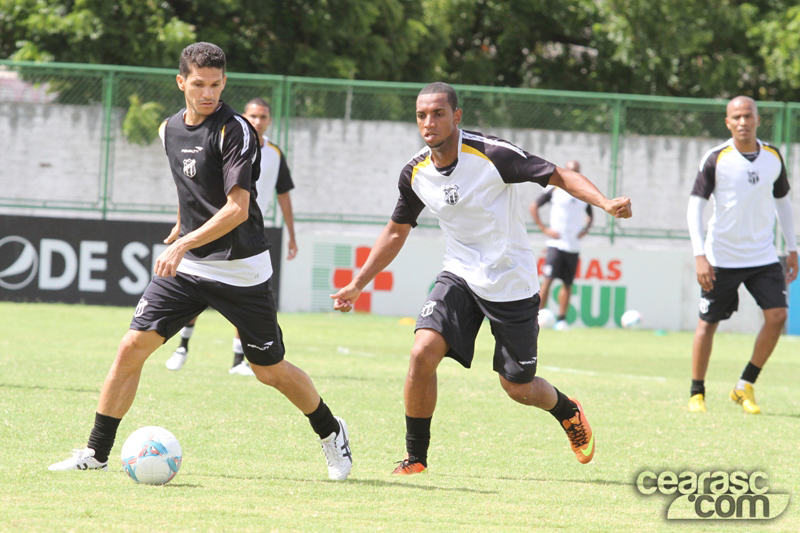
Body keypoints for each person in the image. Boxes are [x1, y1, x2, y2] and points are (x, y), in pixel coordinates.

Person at [49, 42, 352, 481]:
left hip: (241, 268)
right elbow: (187, 188)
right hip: (191, 268)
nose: (208, 93)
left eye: (215, 84)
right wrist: (180, 227)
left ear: (224, 82)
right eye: (198, 84)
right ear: (181, 82)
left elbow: (237, 209)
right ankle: (96, 452)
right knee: (131, 347)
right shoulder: (168, 129)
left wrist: (179, 244)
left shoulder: (237, 131)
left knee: (270, 372)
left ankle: (331, 431)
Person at [331, 82, 632, 474]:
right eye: (422, 115)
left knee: (518, 387)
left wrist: (605, 202)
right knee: (422, 353)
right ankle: (416, 457)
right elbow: (394, 231)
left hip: (511, 281)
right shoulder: (415, 172)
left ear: (456, 116)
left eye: (438, 113)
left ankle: (567, 410)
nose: (429, 122)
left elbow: (558, 175)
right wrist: (357, 284)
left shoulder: (493, 154)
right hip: (459, 273)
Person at [165, 97, 299, 376]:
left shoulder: (274, 153)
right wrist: (181, 222)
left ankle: (239, 359)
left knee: (241, 297)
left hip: (249, 231)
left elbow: (283, 194)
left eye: (263, 117)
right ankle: (183, 346)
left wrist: (292, 234)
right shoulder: (226, 137)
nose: (257, 121)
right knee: (192, 289)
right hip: (212, 224)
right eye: (253, 115)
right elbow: (192, 186)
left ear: (270, 120)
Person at [687, 96, 797, 415]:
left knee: (777, 316)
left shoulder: (773, 157)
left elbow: (783, 203)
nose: (742, 122)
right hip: (720, 257)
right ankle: (697, 392)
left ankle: (745, 384)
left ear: (758, 120)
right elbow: (695, 207)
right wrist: (699, 255)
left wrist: (792, 248)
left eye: (748, 115)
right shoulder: (716, 158)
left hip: (762, 256)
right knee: (707, 324)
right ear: (727, 122)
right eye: (736, 117)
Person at [530, 160, 593, 330]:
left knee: (567, 283)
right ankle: (536, 317)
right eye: (571, 171)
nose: (573, 174)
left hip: (573, 245)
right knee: (548, 280)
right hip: (555, 244)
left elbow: (590, 215)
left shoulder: (583, 194)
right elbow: (534, 206)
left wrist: (585, 229)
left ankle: (562, 319)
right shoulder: (554, 190)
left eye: (576, 171)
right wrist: (544, 228)